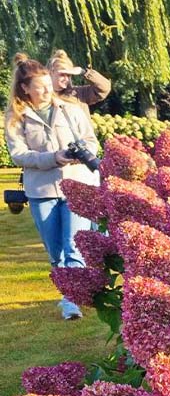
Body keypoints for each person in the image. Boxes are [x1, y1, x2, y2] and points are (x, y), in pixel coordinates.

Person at [5, 54, 101, 320]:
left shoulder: (70, 108)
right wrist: (52, 158)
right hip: (42, 191)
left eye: (49, 85)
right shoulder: (16, 117)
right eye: (41, 86)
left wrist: (82, 153)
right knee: (55, 248)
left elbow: (90, 140)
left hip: (77, 184)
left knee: (74, 244)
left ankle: (72, 300)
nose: (48, 90)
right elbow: (19, 154)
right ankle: (66, 290)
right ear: (25, 88)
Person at [47, 49, 111, 114]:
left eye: (69, 75)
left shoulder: (79, 93)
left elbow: (105, 88)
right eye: (62, 75)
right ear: (51, 72)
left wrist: (84, 72)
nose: (66, 79)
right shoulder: (43, 97)